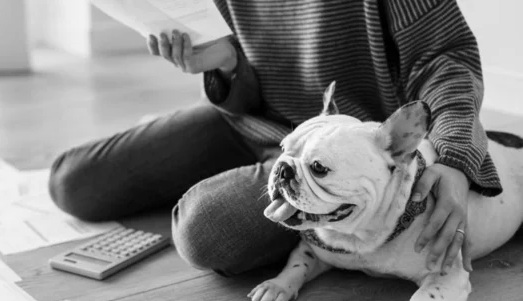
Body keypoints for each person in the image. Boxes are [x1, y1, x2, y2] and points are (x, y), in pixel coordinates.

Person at [49, 0, 502, 278]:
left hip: (346, 154)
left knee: (204, 232)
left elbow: (445, 57)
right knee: (71, 182)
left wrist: (456, 153)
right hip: (259, 127)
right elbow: (246, 92)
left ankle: (334, 218)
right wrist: (226, 65)